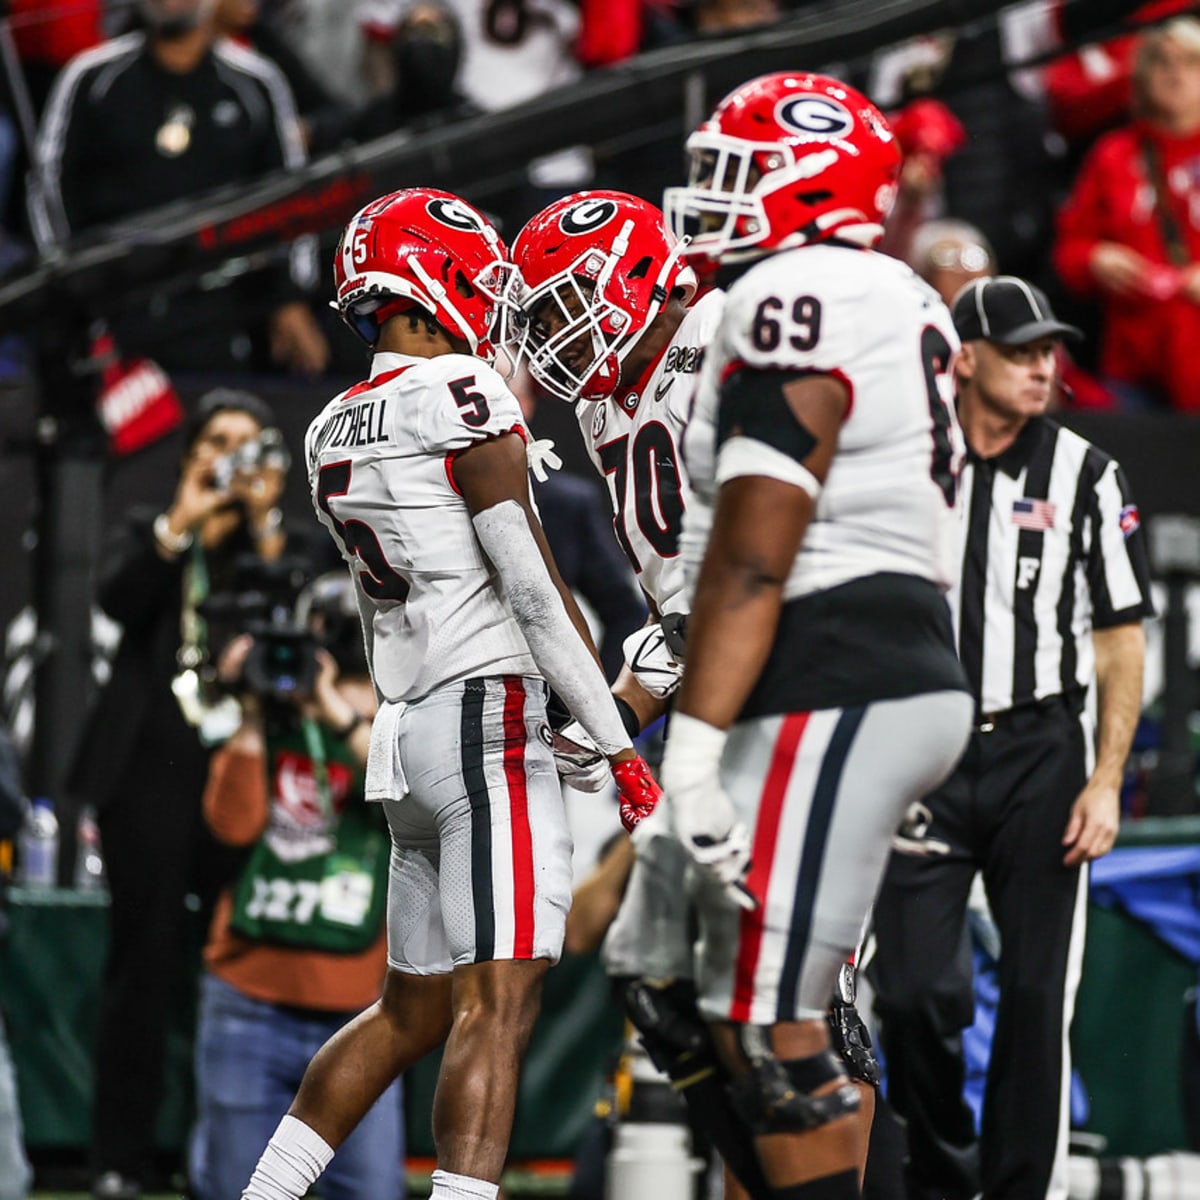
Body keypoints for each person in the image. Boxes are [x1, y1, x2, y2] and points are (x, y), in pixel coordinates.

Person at [240, 187, 662, 1200]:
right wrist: (617, 744)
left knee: (411, 1011)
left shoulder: (332, 425)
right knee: (499, 1005)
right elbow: (528, 584)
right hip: (486, 724)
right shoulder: (462, 393)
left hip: (406, 734)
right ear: (438, 277)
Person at [658, 71, 974, 1200]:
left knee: (769, 1022)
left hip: (837, 668)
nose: (712, 198)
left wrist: (691, 748)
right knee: (673, 979)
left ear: (806, 184)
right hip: (887, 661)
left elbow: (755, 547)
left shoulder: (797, 293)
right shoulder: (904, 295)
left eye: (737, 176)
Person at [869, 275, 1154, 1200]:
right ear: (967, 360)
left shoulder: (1084, 474)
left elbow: (1119, 639)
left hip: (1040, 751)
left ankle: (1021, 1189)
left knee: (1036, 998)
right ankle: (944, 1174)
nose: (1044, 366)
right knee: (915, 992)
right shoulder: (903, 462)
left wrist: (1106, 778)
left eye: (1049, 350)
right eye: (1023, 350)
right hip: (923, 752)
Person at [67, 387, 295, 1200]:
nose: (231, 459)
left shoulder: (277, 545)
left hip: (241, 773)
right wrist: (182, 519)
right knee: (144, 964)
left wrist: (264, 528)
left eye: (249, 444)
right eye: (217, 442)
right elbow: (118, 599)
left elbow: (294, 622)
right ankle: (121, 1160)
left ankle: (225, 1161)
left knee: (236, 966)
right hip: (148, 772)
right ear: (193, 453)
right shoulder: (152, 533)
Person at [189, 572, 403, 1200]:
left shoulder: (393, 720)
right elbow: (232, 826)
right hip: (247, 1002)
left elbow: (403, 792)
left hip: (359, 1014)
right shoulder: (267, 724)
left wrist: (333, 710)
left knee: (370, 1191)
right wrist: (256, 715)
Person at [28, 0, 328, 377]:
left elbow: (292, 195)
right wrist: (74, 288)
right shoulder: (90, 77)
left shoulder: (255, 81)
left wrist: (291, 296)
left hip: (224, 309)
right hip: (113, 309)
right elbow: (48, 188)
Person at [1054, 15, 1200, 413]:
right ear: (1141, 74)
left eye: (1190, 62)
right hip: (1133, 363)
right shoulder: (1113, 154)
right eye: (1162, 62)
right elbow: (1069, 250)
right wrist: (1095, 259)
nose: (1175, 75)